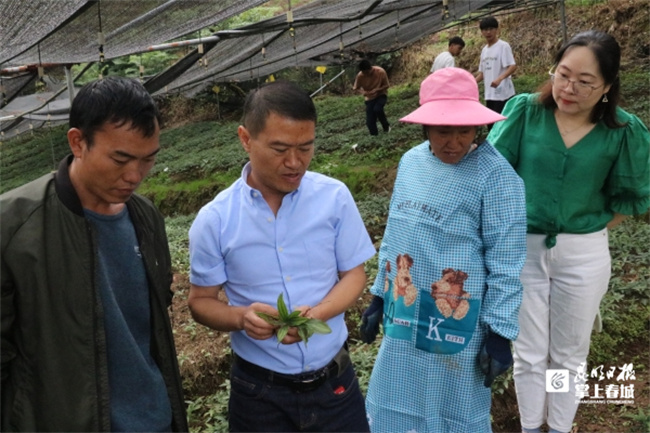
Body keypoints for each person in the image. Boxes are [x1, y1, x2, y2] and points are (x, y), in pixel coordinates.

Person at [0, 77, 188, 432]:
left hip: (155, 421)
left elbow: (154, 326)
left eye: (148, 159)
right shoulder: (14, 225)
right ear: (78, 142)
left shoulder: (146, 218)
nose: (134, 175)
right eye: (120, 159)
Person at [187, 80, 376, 433]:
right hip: (259, 396)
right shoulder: (215, 220)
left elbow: (354, 274)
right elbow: (200, 302)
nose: (294, 162)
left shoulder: (333, 198)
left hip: (335, 387)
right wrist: (242, 317)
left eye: (305, 148)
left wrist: (316, 314)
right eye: (280, 149)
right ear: (245, 139)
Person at [487, 30, 650, 433]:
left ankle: (558, 426)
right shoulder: (526, 112)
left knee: (568, 355)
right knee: (528, 351)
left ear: (607, 87)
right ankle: (531, 426)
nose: (569, 88)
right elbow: (492, 175)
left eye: (585, 82)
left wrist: (582, 230)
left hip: (584, 256)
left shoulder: (623, 131)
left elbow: (629, 199)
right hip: (523, 250)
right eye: (563, 75)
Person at [360, 67, 527, 432]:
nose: (454, 142)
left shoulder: (496, 177)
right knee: (396, 396)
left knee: (454, 405)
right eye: (443, 131)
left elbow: (506, 260)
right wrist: (378, 296)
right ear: (425, 128)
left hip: (455, 315)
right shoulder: (411, 162)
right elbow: (396, 233)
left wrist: (500, 333)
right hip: (405, 307)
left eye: (464, 131)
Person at [474, 16, 517, 128]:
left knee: (502, 126)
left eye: (491, 29)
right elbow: (482, 73)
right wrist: (471, 82)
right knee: (491, 126)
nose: (488, 32)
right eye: (485, 30)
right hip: (490, 94)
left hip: (503, 94)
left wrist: (499, 79)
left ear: (497, 30)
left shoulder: (503, 46)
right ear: (482, 32)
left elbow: (512, 66)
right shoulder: (484, 50)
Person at [353, 59, 391, 136]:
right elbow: (356, 88)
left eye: (367, 72)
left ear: (370, 68)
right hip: (369, 98)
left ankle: (386, 127)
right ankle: (374, 136)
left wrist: (377, 90)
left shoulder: (380, 71)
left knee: (377, 109)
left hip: (381, 94)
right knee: (369, 121)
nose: (365, 75)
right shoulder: (360, 75)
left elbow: (387, 85)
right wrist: (364, 92)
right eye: (363, 73)